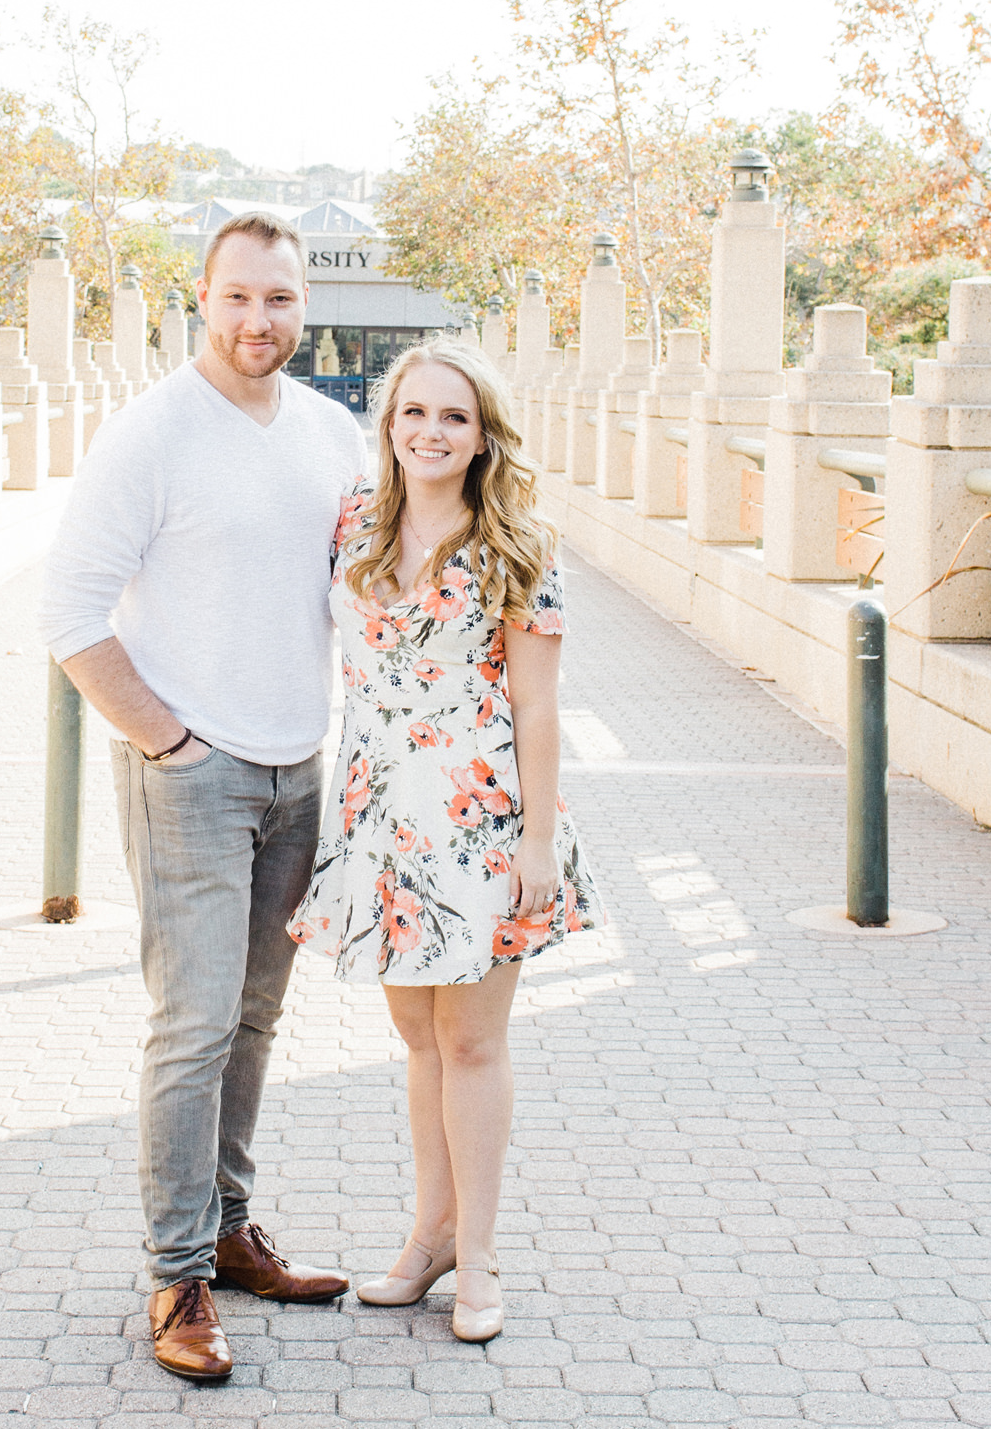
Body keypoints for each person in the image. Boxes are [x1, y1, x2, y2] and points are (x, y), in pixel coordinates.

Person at [39, 210, 366, 1382]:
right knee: (190, 1025)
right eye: (236, 298)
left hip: (300, 766)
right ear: (202, 298)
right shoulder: (152, 434)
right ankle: (174, 1274)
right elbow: (70, 614)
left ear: (302, 306)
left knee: (256, 1015)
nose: (256, 321)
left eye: (277, 300)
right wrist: (168, 744)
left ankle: (228, 1232)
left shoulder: (333, 435)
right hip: (192, 774)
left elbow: (372, 588)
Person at [287, 338, 600, 1343]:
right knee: (415, 1038)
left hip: (480, 823)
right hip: (379, 821)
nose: (430, 431)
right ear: (387, 423)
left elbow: (538, 707)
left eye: (453, 418)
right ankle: (427, 1239)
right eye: (413, 412)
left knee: (469, 1040)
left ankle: (481, 1258)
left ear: (480, 438)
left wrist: (537, 846)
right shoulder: (354, 524)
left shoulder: (515, 546)